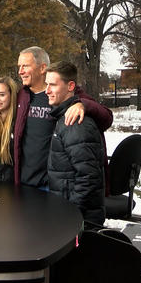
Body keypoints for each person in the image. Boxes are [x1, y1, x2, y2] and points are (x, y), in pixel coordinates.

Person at [0, 46, 112, 188]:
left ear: (42, 68)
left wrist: (83, 104)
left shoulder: (59, 94)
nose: (20, 71)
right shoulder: (21, 96)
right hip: (22, 183)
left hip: (51, 185)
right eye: (19, 66)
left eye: (25, 66)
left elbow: (106, 117)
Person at [45, 61, 105, 226]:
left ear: (70, 86)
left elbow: (88, 177)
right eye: (46, 84)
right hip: (70, 213)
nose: (47, 90)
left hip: (78, 219)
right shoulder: (64, 118)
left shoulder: (75, 123)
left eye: (52, 85)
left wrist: (69, 212)